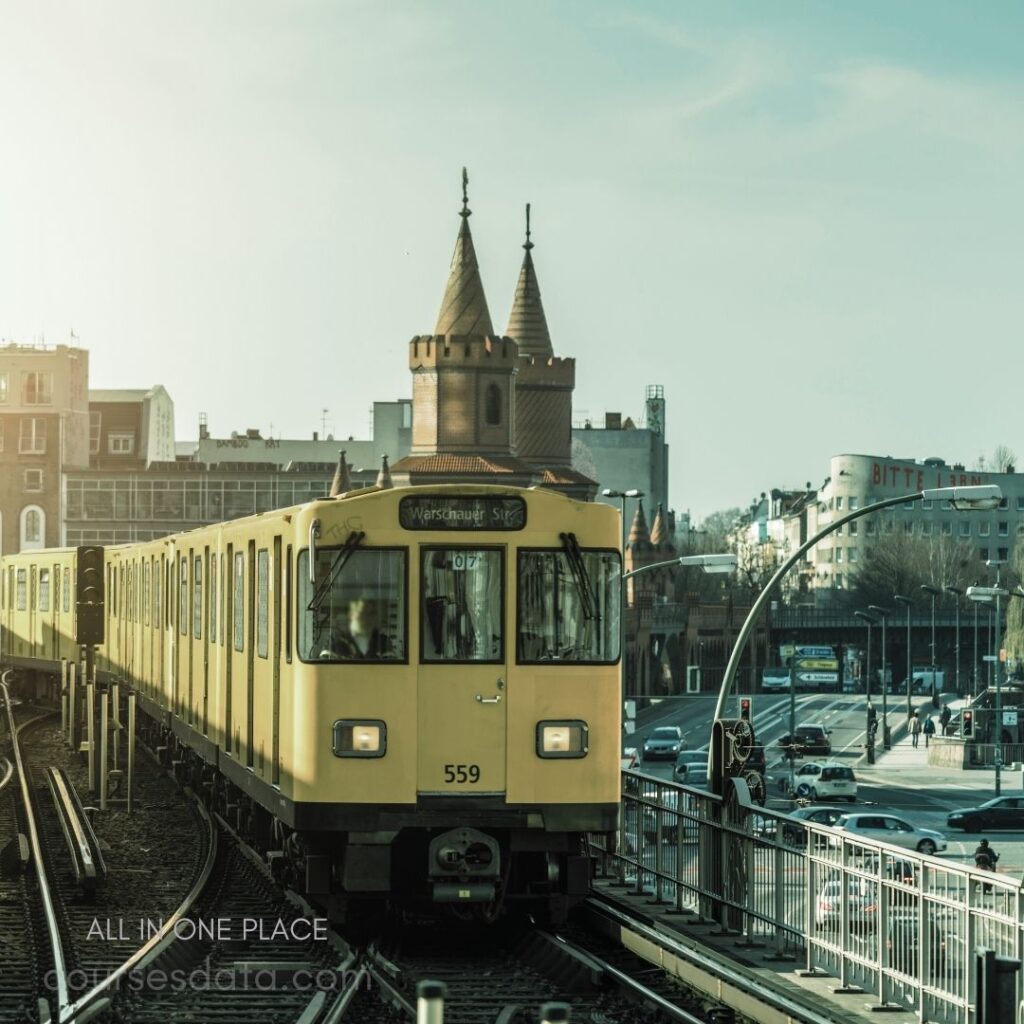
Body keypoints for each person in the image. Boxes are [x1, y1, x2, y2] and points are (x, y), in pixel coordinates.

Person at [322, 599, 392, 659]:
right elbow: (324, 668)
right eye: (363, 612)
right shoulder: (335, 641)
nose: (367, 617)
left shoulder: (383, 642)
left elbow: (392, 670)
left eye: (372, 613)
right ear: (351, 614)